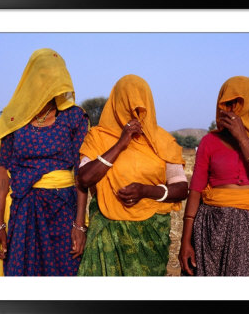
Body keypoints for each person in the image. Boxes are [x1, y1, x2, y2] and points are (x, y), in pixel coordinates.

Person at [0, 48, 89, 276]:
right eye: (44, 78)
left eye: (55, 78)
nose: (50, 84)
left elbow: (81, 174)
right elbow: (3, 171)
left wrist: (79, 225)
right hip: (24, 210)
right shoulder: (14, 119)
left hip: (63, 210)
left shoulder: (74, 116)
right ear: (32, 80)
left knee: (66, 273)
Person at [76, 74, 188, 276]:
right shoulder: (98, 137)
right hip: (105, 230)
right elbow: (84, 178)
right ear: (115, 104)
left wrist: (146, 191)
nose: (134, 114)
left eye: (139, 107)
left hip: (150, 236)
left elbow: (181, 188)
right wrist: (120, 144)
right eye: (127, 106)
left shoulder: (163, 141)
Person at [179, 76, 249, 276]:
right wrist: (185, 241)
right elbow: (195, 190)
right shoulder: (209, 141)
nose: (232, 109)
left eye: (239, 103)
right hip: (210, 227)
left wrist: (243, 138)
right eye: (227, 104)